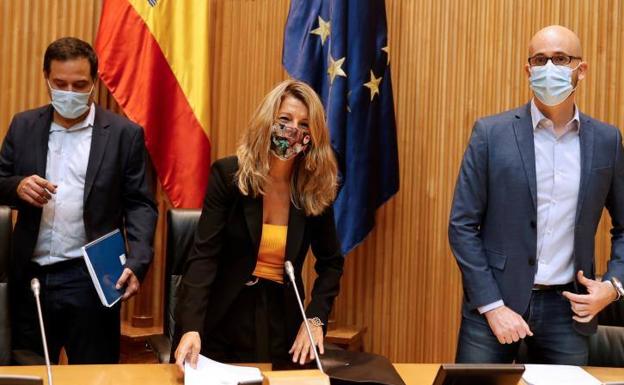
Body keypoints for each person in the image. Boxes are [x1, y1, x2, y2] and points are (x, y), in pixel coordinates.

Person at [449, 25, 624, 365]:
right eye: (540, 60)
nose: (549, 68)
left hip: (568, 311)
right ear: (528, 70)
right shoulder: (491, 134)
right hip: (493, 307)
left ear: (581, 69)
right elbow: (462, 226)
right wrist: (493, 307)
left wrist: (613, 286)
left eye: (560, 59)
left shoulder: (606, 141)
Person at [1, 37, 158, 364]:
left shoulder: (123, 134)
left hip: (91, 278)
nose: (69, 92)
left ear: (94, 83)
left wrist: (137, 261)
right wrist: (17, 186)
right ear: (46, 78)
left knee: (95, 373)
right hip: (29, 276)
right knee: (28, 372)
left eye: (79, 84)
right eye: (60, 84)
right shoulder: (23, 125)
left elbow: (140, 204)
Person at [173, 79, 344, 371]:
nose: (294, 131)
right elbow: (204, 256)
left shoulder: (313, 188)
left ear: (313, 136)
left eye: (305, 125)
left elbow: (331, 263)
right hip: (223, 316)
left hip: (283, 319)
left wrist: (314, 319)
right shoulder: (229, 176)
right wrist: (190, 326)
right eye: (285, 120)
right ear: (268, 122)